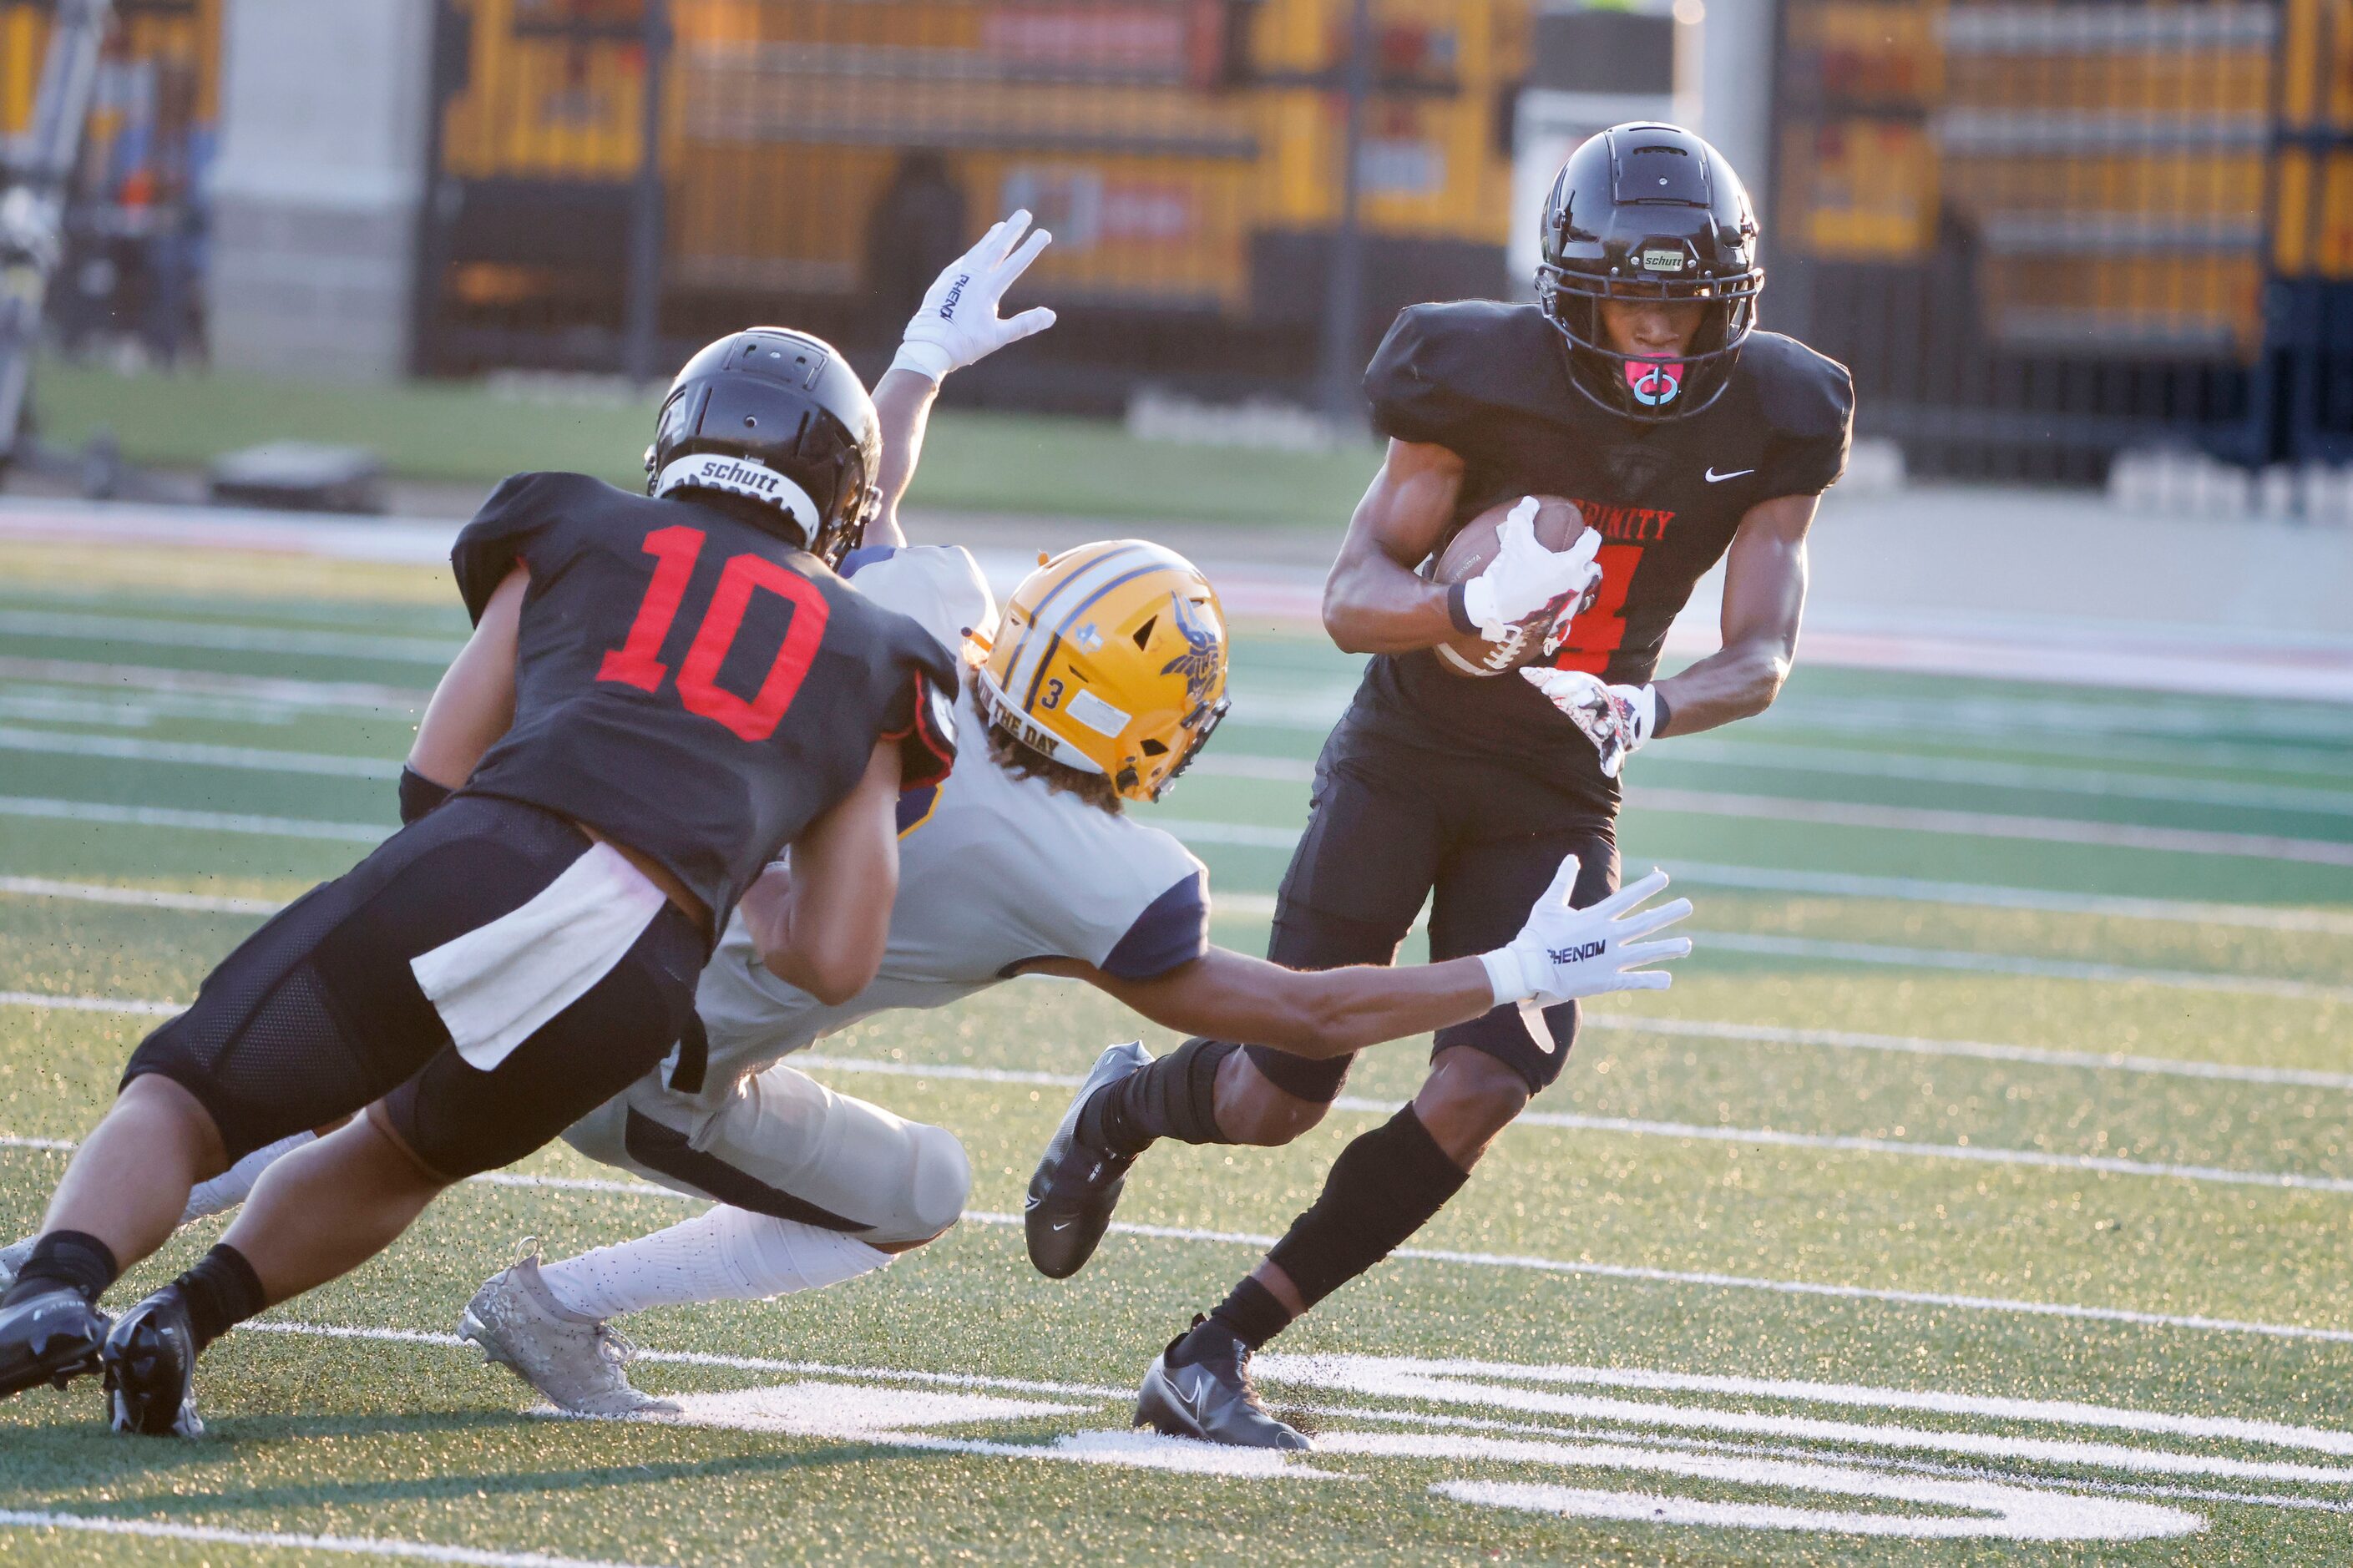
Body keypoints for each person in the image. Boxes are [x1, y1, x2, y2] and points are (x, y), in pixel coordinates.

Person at [0, 216, 1696, 1427]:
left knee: (251, 1068)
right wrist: (1491, 970)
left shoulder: (903, 608)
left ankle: (71, 1265)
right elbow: (1285, 1009)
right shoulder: (1036, 810)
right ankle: (271, 1315)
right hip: (640, 1009)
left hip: (526, 885)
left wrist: (911, 369)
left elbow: (826, 527)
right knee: (451, 1137)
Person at [1020, 121, 1855, 1449]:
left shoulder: (1782, 409)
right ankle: (1124, 1103)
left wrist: (1644, 705)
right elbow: (1353, 598)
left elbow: (1758, 656)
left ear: (1728, 300)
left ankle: (1216, 1346)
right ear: (1573, 292)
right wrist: (1461, 604)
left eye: (1681, 300)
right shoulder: (1475, 375)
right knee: (1277, 1094)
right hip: (1407, 749)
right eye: (1630, 297)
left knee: (1481, 1087)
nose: (1652, 331)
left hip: (1563, 779)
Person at [0, 321, 964, 1439]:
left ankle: (48, 1290)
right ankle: (181, 1321)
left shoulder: (577, 523)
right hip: (645, 971)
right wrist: (712, 859)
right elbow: (833, 954)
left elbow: (437, 765)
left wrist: (453, 913)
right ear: (841, 497)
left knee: (188, 1089)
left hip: (492, 854)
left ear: (678, 438)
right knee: (403, 1151)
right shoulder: (880, 656)